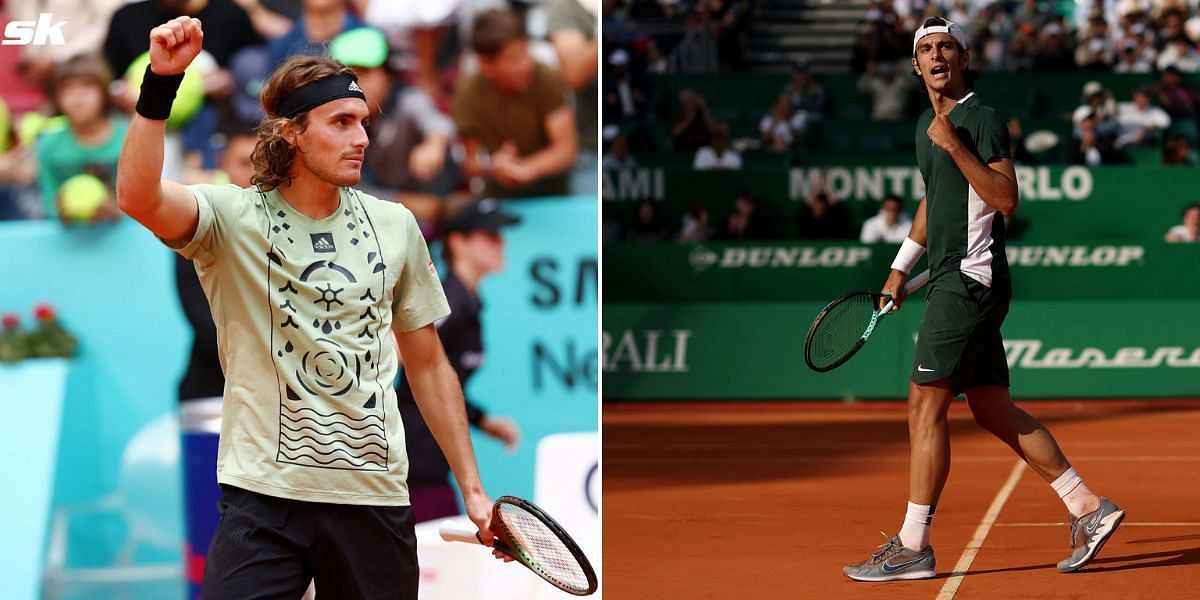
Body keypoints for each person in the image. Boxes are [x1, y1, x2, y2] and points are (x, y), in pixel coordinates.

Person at [116, 17, 505, 597]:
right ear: (293, 133)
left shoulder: (396, 226)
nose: (362, 138)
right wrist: (161, 86)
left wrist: (473, 488)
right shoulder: (232, 218)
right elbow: (138, 196)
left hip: (372, 495)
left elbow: (427, 365)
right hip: (263, 497)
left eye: (363, 123)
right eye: (341, 123)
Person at [844, 17, 1124, 583]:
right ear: (916, 66)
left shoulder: (981, 119)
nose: (937, 54)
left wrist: (956, 146)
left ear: (964, 58)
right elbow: (933, 202)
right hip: (952, 278)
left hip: (969, 281)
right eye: (926, 49)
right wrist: (899, 268)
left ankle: (913, 545)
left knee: (924, 403)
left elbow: (1004, 197)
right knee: (992, 406)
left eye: (947, 46)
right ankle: (1089, 509)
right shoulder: (928, 121)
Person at [396, 199, 522, 522]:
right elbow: (403, 353)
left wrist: (481, 420)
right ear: (458, 243)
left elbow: (443, 382)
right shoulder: (449, 300)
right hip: (412, 466)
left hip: (428, 464)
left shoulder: (465, 301)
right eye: (489, 235)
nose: (501, 242)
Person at [454, 8, 578, 198]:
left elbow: (566, 151)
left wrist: (525, 168)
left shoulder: (545, 77)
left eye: (526, 52)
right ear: (486, 65)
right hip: (498, 196)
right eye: (513, 58)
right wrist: (493, 167)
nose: (525, 64)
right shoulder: (468, 92)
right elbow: (470, 164)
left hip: (553, 192)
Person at [36, 55, 128, 222]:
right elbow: (49, 204)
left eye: (86, 87)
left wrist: (116, 213)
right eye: (67, 89)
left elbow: (146, 201)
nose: (77, 98)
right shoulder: (49, 145)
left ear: (104, 91)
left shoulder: (129, 139)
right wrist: (61, 212)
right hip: (69, 241)